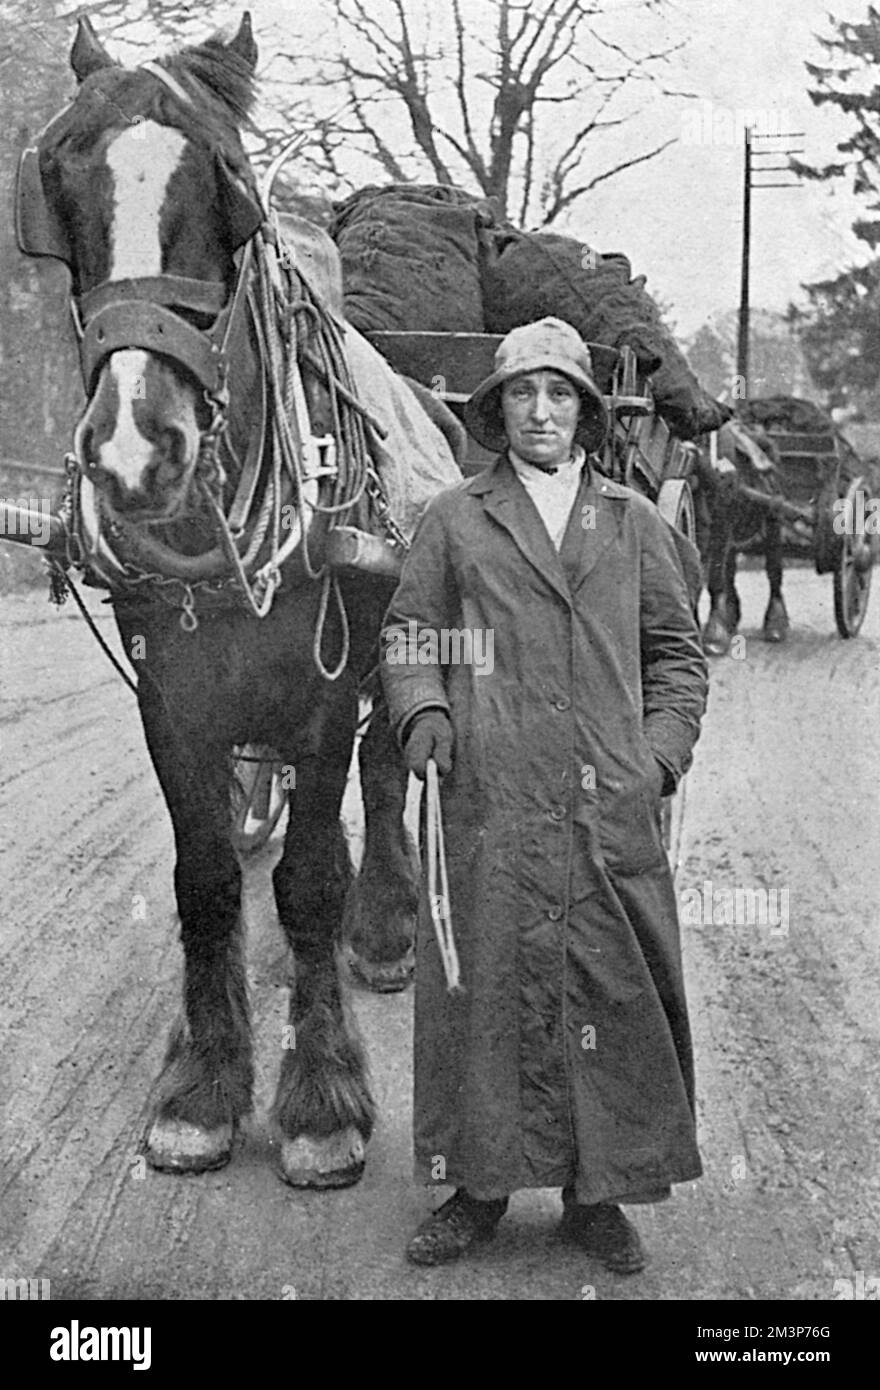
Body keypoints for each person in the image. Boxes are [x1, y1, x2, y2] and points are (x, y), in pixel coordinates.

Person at [380, 317, 708, 1274]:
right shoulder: (456, 518)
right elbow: (411, 636)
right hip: (490, 797)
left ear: (586, 414)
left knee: (607, 982)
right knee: (482, 989)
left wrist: (657, 761)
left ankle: (595, 1195)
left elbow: (676, 660)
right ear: (497, 411)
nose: (541, 411)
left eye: (560, 393)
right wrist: (424, 716)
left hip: (607, 802)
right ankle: (476, 1189)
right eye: (523, 394)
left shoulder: (633, 524)